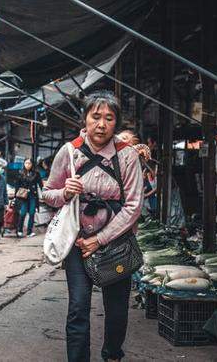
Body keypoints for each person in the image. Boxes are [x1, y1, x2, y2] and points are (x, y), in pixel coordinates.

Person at [42, 90, 144, 362]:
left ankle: (112, 353)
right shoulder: (69, 151)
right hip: (77, 241)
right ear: (85, 120)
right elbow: (47, 193)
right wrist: (65, 192)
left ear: (116, 123)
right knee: (77, 307)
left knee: (117, 308)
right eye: (95, 117)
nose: (101, 124)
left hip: (117, 242)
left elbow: (133, 206)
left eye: (109, 118)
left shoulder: (128, 156)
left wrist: (100, 240)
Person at [15, 158, 43, 238]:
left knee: (32, 213)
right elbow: (17, 185)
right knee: (22, 213)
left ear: (32, 164)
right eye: (26, 163)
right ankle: (19, 230)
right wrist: (16, 196)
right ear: (24, 164)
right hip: (23, 196)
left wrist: (44, 193)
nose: (27, 165)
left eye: (29, 163)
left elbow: (40, 184)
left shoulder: (36, 173)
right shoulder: (20, 173)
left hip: (32, 196)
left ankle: (29, 231)